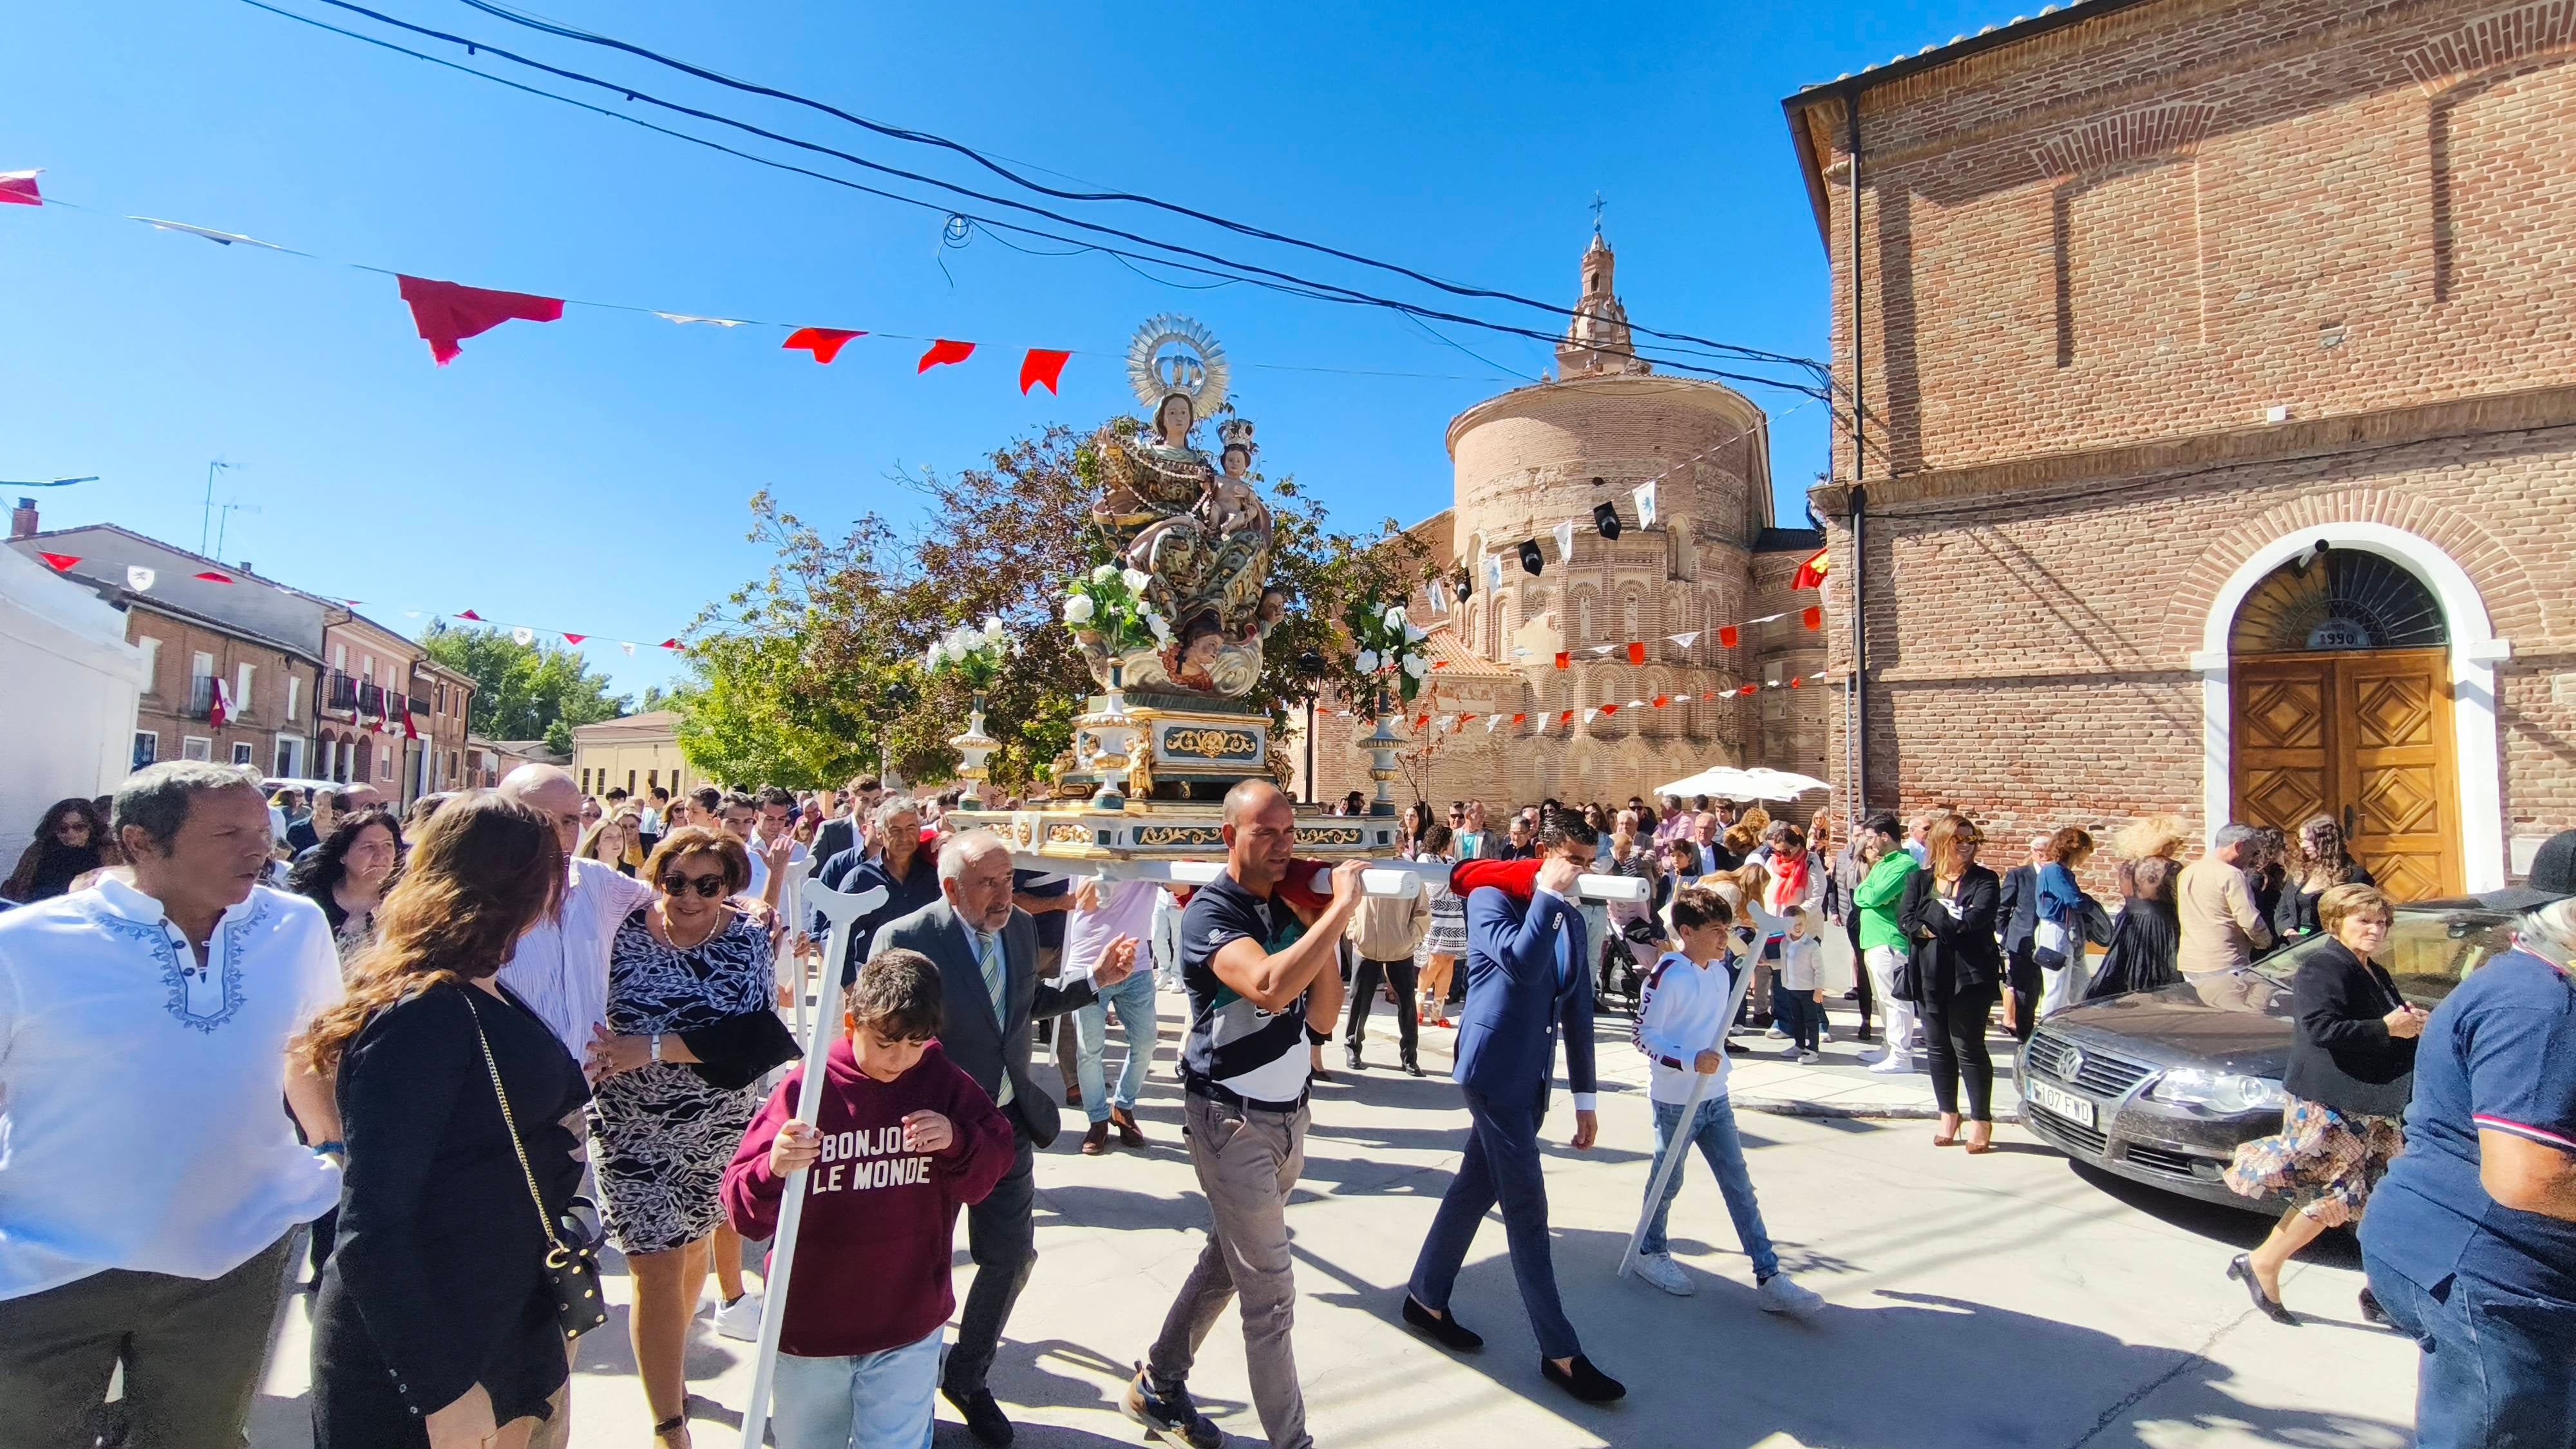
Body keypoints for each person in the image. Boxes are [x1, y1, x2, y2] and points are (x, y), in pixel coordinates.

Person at [0, 762, 344, 1447]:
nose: (260, 849)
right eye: (228, 833)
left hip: (233, 1259)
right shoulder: (26, 945)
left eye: (260, 829)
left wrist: (332, 1152)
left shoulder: (295, 926)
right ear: (139, 842)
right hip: (45, 1265)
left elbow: (309, 1047)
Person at [298, 792, 587, 1449]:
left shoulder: (480, 984)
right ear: (526, 882)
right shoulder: (425, 1014)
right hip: (432, 1349)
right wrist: (442, 1391)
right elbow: (372, 1226)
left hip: (501, 1317)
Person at [875, 831, 1139, 1447]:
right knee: (917, 1268)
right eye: (988, 884)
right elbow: (883, 1036)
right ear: (950, 888)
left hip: (1005, 1122)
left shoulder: (1019, 928)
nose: (1004, 896)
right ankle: (900, 1387)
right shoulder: (908, 939)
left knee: (1012, 1256)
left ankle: (967, 1378)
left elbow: (1024, 1003)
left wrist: (1095, 981)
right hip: (926, 1131)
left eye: (1009, 881)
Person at [1128, 783, 1358, 1449]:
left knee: (1228, 1263)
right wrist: (1337, 909)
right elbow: (1266, 985)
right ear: (1230, 837)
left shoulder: (1286, 907)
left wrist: (1322, 919)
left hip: (1288, 1118)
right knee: (1271, 1299)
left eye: (1289, 831)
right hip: (1230, 1122)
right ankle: (1293, 1443)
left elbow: (1319, 1017)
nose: (1284, 844)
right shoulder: (1211, 914)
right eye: (1266, 832)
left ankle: (1159, 1383)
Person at [722, 949, 1015, 1449]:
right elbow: (740, 1207)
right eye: (885, 1044)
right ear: (852, 1022)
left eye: (916, 1044)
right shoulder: (806, 1087)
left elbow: (994, 1158)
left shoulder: (941, 1082)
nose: (899, 1059)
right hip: (810, 1329)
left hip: (907, 1322)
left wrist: (956, 1139)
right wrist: (774, 1165)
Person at [587, 826, 799, 1448]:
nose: (688, 896)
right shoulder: (620, 931)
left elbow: (756, 1042)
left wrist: (649, 1048)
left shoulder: (747, 939)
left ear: (730, 885)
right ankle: (668, 1426)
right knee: (653, 1265)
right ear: (657, 878)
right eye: (675, 881)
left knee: (690, 1254)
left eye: (708, 885)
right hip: (629, 1127)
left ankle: (669, 1368)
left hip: (715, 1127)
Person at [1403, 809, 1622, 1405]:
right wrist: (1549, 898)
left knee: (1475, 1188)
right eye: (1571, 860)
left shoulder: (1571, 918)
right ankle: (1561, 1353)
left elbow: (1577, 1011)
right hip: (1493, 1069)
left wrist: (1585, 1097)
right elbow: (1522, 967)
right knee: (1527, 1208)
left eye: (1587, 862)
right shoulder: (1492, 895)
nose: (1579, 873)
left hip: (1533, 1078)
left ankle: (1425, 1296)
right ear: (1546, 855)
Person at [2360, 891, 2576, 1448]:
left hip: (2473, 1256)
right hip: (2488, 1268)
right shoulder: (2539, 1007)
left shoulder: (2529, 981)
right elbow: (2529, 1174)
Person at [2221, 883, 2419, 1324]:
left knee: (2380, 1197)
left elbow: (2385, 1023)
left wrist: (2408, 1025)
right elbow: (2322, 1029)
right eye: (2364, 921)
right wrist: (2388, 1028)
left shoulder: (2372, 969)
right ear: (2337, 922)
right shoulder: (2323, 967)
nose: (2375, 930)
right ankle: (2265, 1262)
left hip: (2372, 1103)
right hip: (2332, 1101)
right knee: (2338, 1194)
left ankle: (2381, 1291)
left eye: (2381, 922)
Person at [1625, 887, 1823, 1312]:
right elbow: (1643, 1036)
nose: (1723, 938)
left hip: (1715, 1096)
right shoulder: (1668, 973)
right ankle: (1649, 1250)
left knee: (1739, 1184)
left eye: (1727, 929)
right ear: (1686, 932)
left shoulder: (1719, 972)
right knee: (1668, 1179)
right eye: (1716, 930)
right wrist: (1688, 1059)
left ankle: (1769, 1274)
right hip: (1676, 1098)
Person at [1898, 814, 2003, 1153]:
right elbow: (1906, 920)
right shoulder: (1919, 880)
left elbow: (1975, 920)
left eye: (1972, 840)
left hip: (1969, 976)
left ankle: (1981, 1120)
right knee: (1937, 1047)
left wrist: (1932, 921)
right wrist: (1939, 920)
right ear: (1942, 841)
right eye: (1960, 839)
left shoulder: (1985, 880)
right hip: (1928, 973)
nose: (1967, 846)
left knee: (1968, 1047)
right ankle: (1948, 1114)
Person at [1068, 874, 1167, 1153]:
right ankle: (1097, 1120)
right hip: (1089, 965)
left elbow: (1181, 886)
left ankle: (1123, 1107)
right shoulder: (1093, 846)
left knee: (1146, 1042)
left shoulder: (1147, 846)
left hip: (1137, 965)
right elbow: (1084, 901)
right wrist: (1111, 869)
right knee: (1089, 1050)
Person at [817, 796, 940, 986]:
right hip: (874, 986)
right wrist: (849, 984)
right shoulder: (861, 879)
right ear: (881, 834)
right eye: (895, 830)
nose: (905, 837)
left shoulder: (932, 877)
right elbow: (835, 936)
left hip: (924, 986)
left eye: (911, 828)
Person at [1344, 849, 1430, 1075]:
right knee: (1359, 1001)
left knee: (1407, 1006)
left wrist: (1411, 937)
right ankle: (1352, 1046)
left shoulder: (1409, 871)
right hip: (1366, 947)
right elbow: (1347, 902)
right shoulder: (1361, 868)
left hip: (1399, 948)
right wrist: (1354, 930)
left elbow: (1422, 910)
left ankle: (1409, 1056)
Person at [288, 808, 405, 963]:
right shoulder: (312, 906)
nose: (381, 855)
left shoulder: (403, 904)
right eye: (368, 847)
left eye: (388, 845)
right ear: (343, 855)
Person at [1852, 815, 1920, 1073]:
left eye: (1871, 838)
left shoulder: (1904, 864)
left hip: (1889, 940)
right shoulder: (1883, 864)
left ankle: (1902, 1055)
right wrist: (1865, 893)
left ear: (1885, 836)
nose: (1869, 844)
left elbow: (1876, 894)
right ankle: (1889, 1047)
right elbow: (1862, 892)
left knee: (1895, 999)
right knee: (1882, 998)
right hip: (1873, 939)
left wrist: (1865, 893)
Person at [2082, 855, 2186, 1001]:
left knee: (2120, 968)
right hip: (2158, 923)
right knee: (2159, 973)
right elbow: (2179, 897)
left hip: (2128, 919)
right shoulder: (2168, 866)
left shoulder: (2128, 865)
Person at [2033, 827, 2110, 1021]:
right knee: (2057, 985)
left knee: (2079, 982)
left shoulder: (2061, 871)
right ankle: (2050, 1024)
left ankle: (2079, 1021)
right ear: (2078, 849)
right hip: (2056, 929)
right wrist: (2089, 903)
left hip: (2068, 929)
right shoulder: (2055, 871)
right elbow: (2073, 900)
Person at [2180, 823, 2274, 975]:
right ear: (2239, 847)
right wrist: (2266, 942)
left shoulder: (2188, 871)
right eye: (2254, 853)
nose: (2253, 859)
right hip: (2224, 962)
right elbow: (2249, 921)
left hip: (2189, 961)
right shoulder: (2231, 874)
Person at [2275, 814, 2375, 942]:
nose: (2304, 846)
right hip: (2293, 943)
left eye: (2309, 840)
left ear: (2328, 842)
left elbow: (2357, 920)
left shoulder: (2355, 876)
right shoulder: (2300, 870)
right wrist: (2288, 933)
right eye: (2301, 840)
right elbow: (2281, 913)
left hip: (2331, 945)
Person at [7, 796, 110, 902]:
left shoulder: (105, 852)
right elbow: (17, 889)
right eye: (63, 829)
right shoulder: (40, 851)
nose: (71, 835)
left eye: (79, 827)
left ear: (92, 827)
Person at [1414, 824, 1466, 1030]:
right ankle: (1418, 1005)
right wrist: (1452, 880)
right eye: (1451, 840)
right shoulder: (1425, 859)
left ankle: (1438, 1010)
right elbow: (1433, 887)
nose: (1453, 844)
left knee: (1449, 960)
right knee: (1434, 958)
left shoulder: (1452, 861)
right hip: (1436, 915)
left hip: (1454, 915)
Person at [1997, 834, 2049, 1043]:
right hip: (2022, 939)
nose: (2048, 857)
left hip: (2049, 940)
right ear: (2035, 853)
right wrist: (2004, 934)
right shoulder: (2020, 875)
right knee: (2023, 990)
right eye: (2044, 852)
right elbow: (2003, 907)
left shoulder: (2057, 875)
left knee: (2045, 989)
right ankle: (2023, 1034)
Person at [1776, 904, 1824, 1063]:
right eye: (1793, 924)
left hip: (1808, 990)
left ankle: (1813, 1049)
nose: (1797, 928)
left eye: (1800, 924)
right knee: (1797, 1019)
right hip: (1791, 988)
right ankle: (1799, 1045)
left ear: (1806, 924)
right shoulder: (1785, 942)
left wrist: (1818, 990)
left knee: (1811, 1020)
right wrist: (1767, 962)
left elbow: (1819, 970)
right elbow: (1783, 963)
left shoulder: (1811, 945)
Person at [288, 788, 339, 857]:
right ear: (313, 804)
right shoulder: (296, 829)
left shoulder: (339, 830)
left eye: (328, 804)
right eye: (320, 804)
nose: (324, 808)